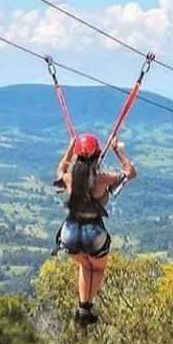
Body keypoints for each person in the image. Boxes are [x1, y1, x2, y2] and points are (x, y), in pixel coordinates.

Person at [55, 132, 137, 325]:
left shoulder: (69, 179)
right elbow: (130, 173)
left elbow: (60, 171)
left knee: (84, 265)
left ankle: (84, 308)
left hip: (70, 231)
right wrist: (118, 150)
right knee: (97, 269)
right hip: (93, 232)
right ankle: (86, 306)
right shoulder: (103, 179)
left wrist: (70, 148)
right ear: (97, 156)